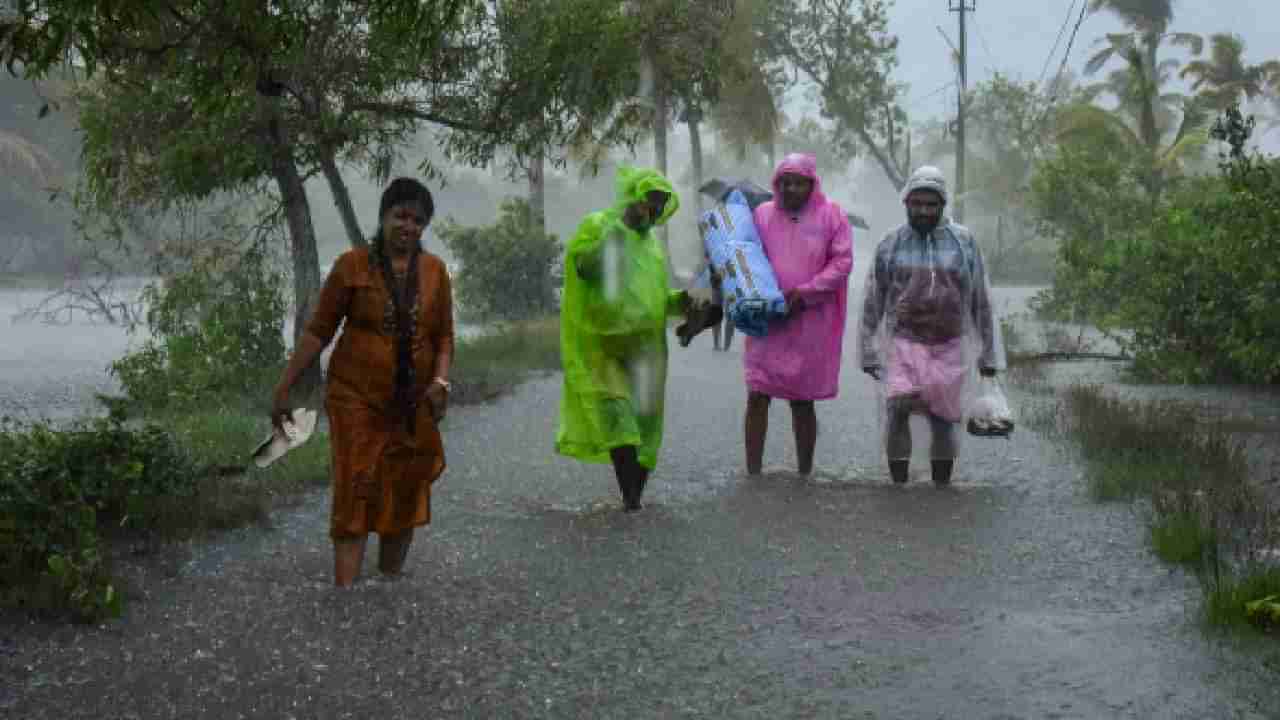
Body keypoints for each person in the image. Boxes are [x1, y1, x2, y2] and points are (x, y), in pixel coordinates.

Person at [271, 177, 453, 586]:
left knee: (404, 488)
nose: (409, 226)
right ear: (383, 216)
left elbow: (444, 337)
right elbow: (319, 332)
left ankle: (386, 589)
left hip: (413, 403)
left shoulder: (436, 273)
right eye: (400, 216)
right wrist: (285, 385)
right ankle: (347, 597)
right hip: (355, 397)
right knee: (357, 485)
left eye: (418, 221)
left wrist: (442, 381)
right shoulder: (351, 266)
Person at [858, 165, 1002, 487]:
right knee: (897, 410)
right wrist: (867, 349)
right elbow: (873, 301)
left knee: (943, 419)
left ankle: (941, 490)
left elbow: (981, 300)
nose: (923, 211)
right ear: (906, 202)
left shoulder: (963, 243)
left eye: (931, 204)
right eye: (917, 203)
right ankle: (898, 488)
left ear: (942, 205)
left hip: (949, 345)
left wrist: (990, 355)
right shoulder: (890, 244)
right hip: (903, 343)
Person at [555, 166, 687, 512]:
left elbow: (655, 298)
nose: (654, 209)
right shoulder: (600, 226)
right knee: (619, 419)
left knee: (645, 429)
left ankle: (632, 499)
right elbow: (585, 267)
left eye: (660, 203)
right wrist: (620, 229)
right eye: (650, 200)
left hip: (648, 351)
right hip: (605, 347)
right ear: (634, 197)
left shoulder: (654, 249)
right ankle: (630, 502)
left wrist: (684, 302)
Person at [743, 153, 853, 476]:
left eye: (798, 182)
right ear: (776, 184)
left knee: (802, 400)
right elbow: (747, 255)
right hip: (768, 320)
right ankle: (753, 472)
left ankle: (804, 472)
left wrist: (806, 293)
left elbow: (842, 263)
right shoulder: (762, 215)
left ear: (811, 183)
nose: (791, 188)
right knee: (757, 394)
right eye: (785, 182)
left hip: (809, 322)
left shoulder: (832, 216)